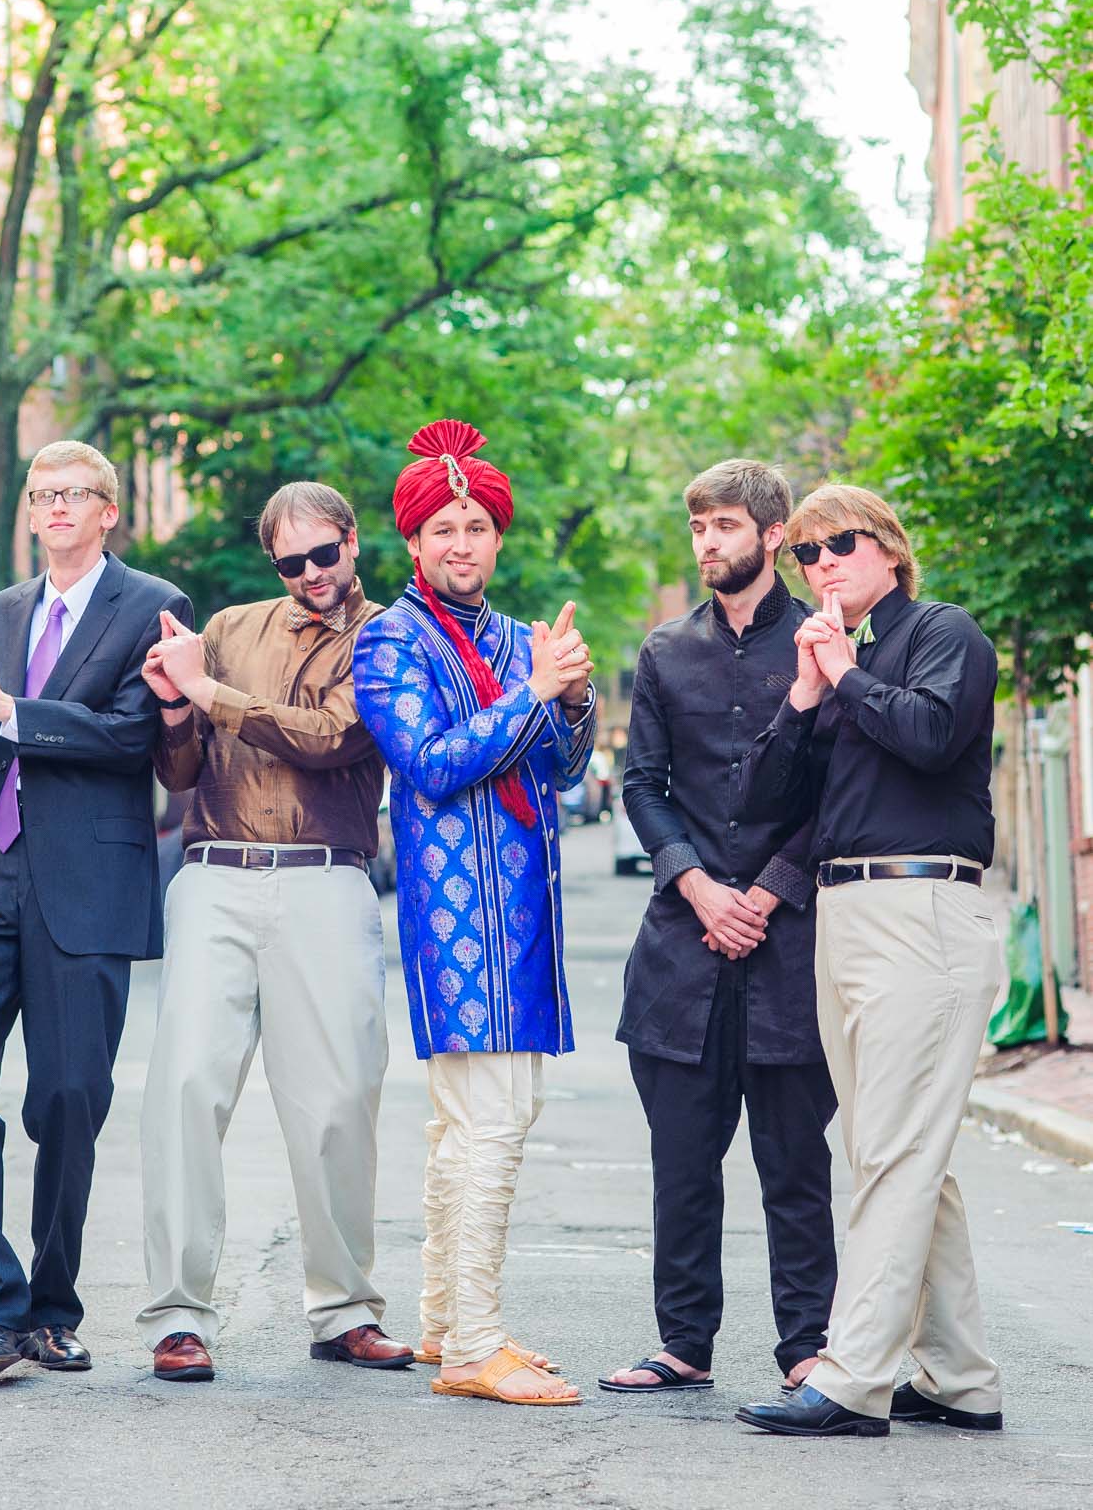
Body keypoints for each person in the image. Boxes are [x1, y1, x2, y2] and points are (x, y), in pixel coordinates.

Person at [734, 484, 1004, 1441]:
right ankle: (961, 1374)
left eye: (837, 544)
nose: (820, 567)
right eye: (804, 555)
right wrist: (805, 696)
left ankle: (852, 1378)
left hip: (922, 906)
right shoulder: (826, 662)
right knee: (896, 1150)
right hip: (842, 912)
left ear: (887, 546)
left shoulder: (943, 631)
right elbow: (765, 803)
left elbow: (931, 738)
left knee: (891, 1149)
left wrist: (843, 675)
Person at [135, 481, 412, 1382]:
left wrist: (206, 692)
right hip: (213, 875)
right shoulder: (224, 627)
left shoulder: (386, 636)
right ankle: (178, 1315)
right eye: (289, 563)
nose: (308, 576)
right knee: (182, 1088)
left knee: (335, 1101)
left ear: (351, 542)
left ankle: (343, 1309)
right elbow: (179, 775)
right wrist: (175, 711)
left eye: (321, 556)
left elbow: (334, 738)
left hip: (325, 883)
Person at [0, 440, 192, 1387]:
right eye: (42, 495)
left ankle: (50, 1307)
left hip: (84, 885)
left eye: (74, 495)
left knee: (70, 1098)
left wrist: (7, 708)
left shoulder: (152, 607)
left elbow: (133, 740)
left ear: (108, 510)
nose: (54, 509)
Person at [353, 418, 596, 1408]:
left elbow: (558, 771)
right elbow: (431, 762)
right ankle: (473, 1345)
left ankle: (446, 1323)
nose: (461, 542)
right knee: (486, 1119)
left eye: (477, 524)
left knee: (477, 1119)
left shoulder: (511, 637)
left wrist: (571, 704)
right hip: (454, 917)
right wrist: (535, 691)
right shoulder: (386, 638)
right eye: (441, 526)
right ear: (411, 543)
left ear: (497, 536)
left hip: (524, 906)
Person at [603, 460, 836, 1400]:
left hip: (790, 948)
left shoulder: (827, 645)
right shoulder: (664, 653)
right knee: (683, 1162)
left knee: (794, 1162)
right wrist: (699, 888)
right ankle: (682, 1344)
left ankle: (807, 1348)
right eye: (698, 527)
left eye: (726, 527)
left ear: (772, 535)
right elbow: (639, 789)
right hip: (681, 949)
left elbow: (837, 793)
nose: (707, 544)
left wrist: (768, 891)